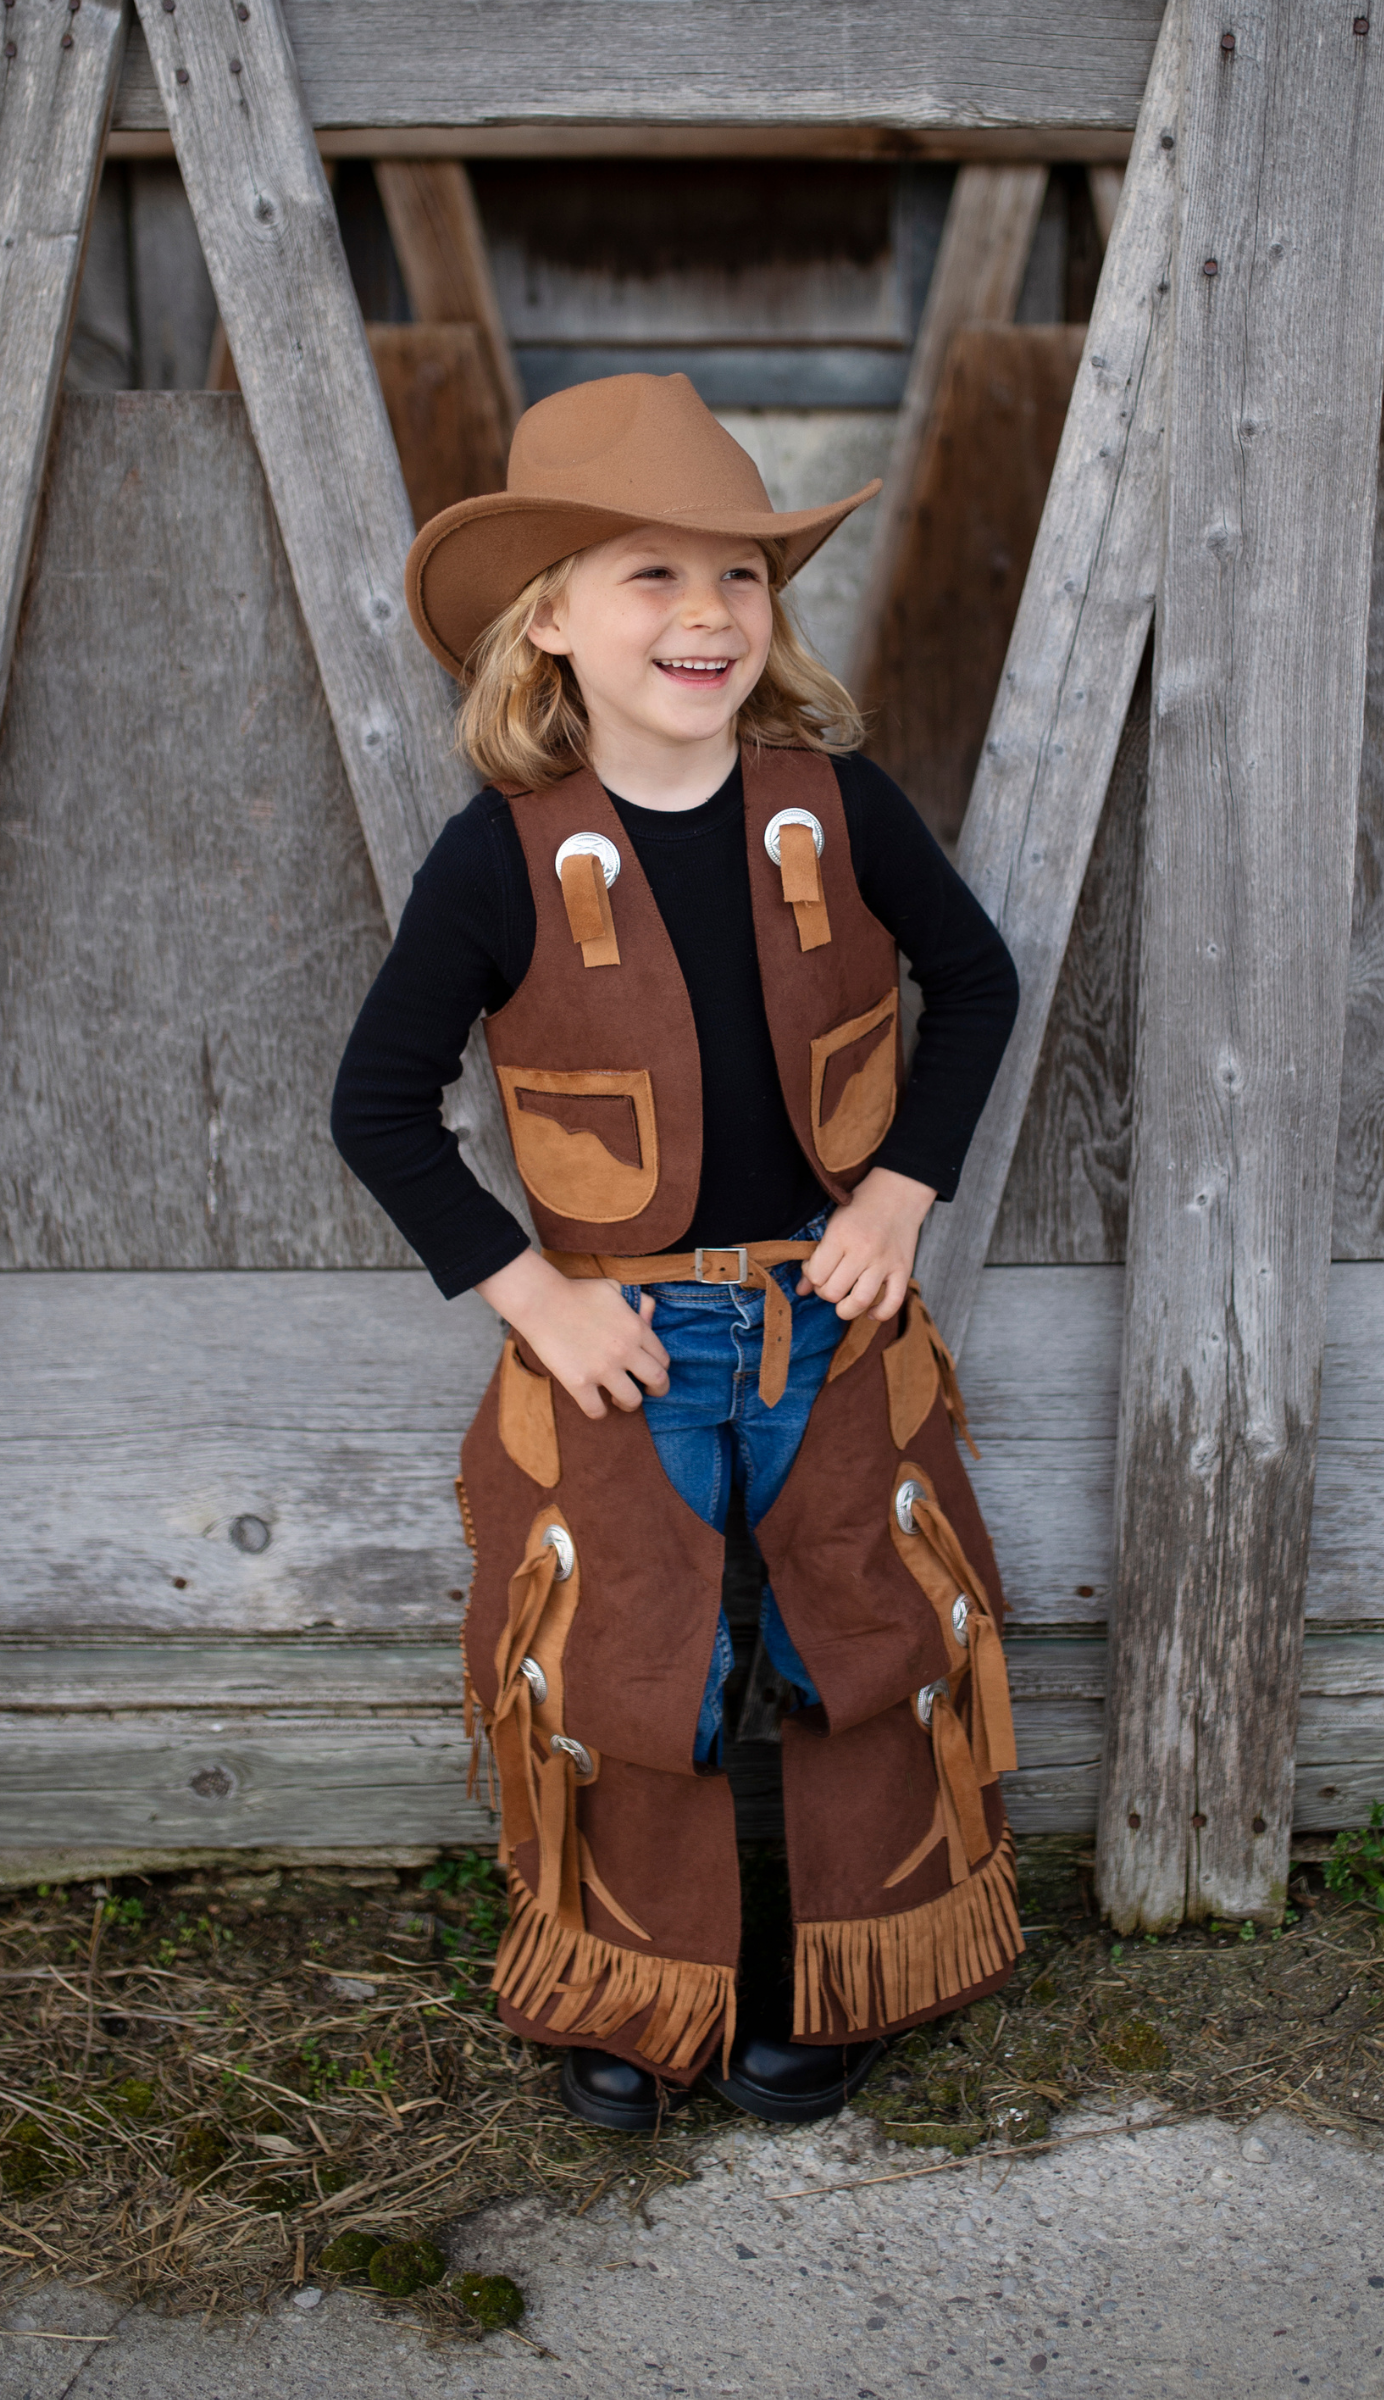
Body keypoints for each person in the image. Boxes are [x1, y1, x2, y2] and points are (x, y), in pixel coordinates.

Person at [332, 371, 1025, 2133]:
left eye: (741, 576)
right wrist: (535, 1296)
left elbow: (981, 988)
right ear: (548, 619)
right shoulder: (496, 865)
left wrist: (896, 1200)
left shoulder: (841, 810)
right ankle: (629, 1997)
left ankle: (861, 1971)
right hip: (620, 1346)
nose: (708, 615)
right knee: (618, 1656)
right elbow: (380, 1107)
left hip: (835, 1318)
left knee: (869, 1631)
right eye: (651, 575)